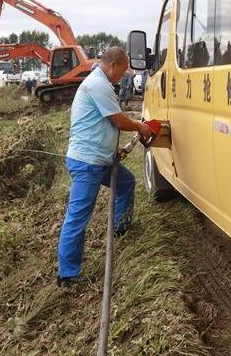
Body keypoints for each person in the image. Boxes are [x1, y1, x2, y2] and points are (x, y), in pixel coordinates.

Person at [56, 48, 153, 288]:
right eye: (122, 70)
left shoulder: (100, 83)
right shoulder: (98, 85)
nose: (123, 74)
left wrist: (113, 151)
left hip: (100, 159)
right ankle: (67, 275)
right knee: (78, 216)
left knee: (126, 183)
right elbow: (118, 119)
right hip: (88, 163)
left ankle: (121, 229)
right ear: (113, 66)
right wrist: (140, 127)